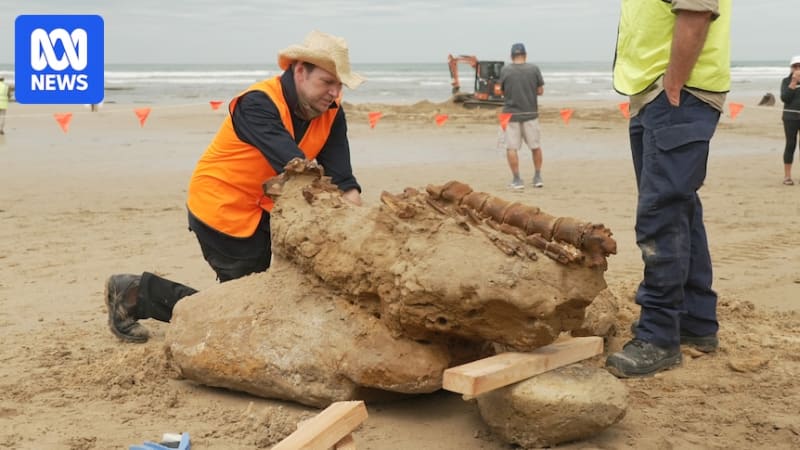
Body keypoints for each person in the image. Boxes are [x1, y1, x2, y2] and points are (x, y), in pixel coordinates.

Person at [104, 31, 364, 343]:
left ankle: (138, 293)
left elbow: (343, 179)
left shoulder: (332, 113)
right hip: (222, 209)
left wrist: (358, 227)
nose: (334, 92)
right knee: (242, 313)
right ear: (299, 71)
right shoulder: (257, 103)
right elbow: (294, 166)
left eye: (339, 85)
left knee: (271, 300)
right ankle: (135, 292)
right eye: (327, 82)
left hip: (267, 211)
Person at [605, 0, 730, 377]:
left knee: (660, 214)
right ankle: (695, 321)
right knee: (679, 208)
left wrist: (673, 81)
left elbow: (696, 12)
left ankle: (659, 336)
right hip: (653, 93)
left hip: (677, 92)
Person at [499, 43, 545, 190]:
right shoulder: (534, 69)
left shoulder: (505, 70)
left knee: (511, 148)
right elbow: (540, 91)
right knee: (535, 146)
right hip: (530, 112)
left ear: (511, 56)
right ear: (525, 55)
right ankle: (537, 176)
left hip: (510, 114)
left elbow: (501, 91)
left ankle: (517, 179)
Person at [780, 55, 800, 185]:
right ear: (791, 68)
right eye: (795, 66)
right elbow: (785, 98)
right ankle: (787, 176)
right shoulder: (786, 81)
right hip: (790, 118)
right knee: (790, 144)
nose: (797, 69)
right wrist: (793, 83)